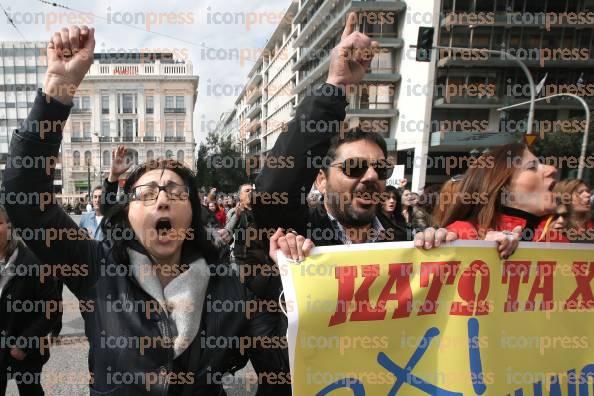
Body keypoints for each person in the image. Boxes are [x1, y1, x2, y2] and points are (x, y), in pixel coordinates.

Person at [3, 26, 289, 395]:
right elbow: (24, 194)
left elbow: (279, 369)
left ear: (193, 213)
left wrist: (285, 277)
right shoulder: (98, 269)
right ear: (127, 214)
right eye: (147, 192)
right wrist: (57, 91)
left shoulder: (228, 281)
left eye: (175, 190)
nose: (162, 199)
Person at [442, 142, 568, 249]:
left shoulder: (559, 244)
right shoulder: (460, 235)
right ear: (503, 187)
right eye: (532, 167)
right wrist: (481, 251)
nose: (552, 169)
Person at [0, 204, 62, 396]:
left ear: (10, 227)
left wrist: (25, 343)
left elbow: (52, 308)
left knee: (30, 390)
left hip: (25, 348)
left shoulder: (33, 263)